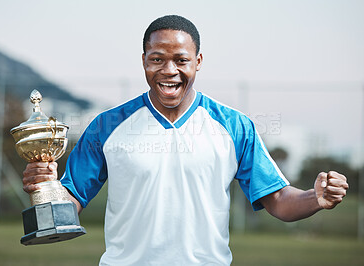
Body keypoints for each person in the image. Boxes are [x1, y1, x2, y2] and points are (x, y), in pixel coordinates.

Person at [23, 15, 349, 265]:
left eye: (181, 60)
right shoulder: (106, 126)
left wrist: (314, 198)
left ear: (198, 62)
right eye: (157, 59)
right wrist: (46, 189)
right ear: (144, 61)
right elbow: (71, 202)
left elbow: (278, 200)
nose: (169, 70)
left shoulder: (235, 126)